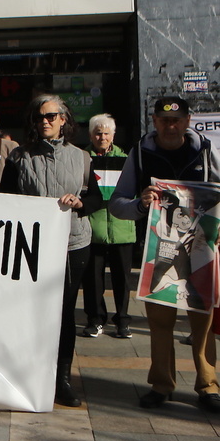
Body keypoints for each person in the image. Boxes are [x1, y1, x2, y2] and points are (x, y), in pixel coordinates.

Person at [110, 96, 220, 412]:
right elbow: (118, 204)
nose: (170, 127)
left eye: (176, 120)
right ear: (154, 122)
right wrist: (140, 204)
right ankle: (161, 385)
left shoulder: (206, 151)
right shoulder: (140, 155)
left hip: (200, 252)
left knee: (202, 323)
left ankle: (208, 385)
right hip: (158, 251)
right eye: (163, 121)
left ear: (187, 121)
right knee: (160, 323)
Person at [0, 94, 102, 407]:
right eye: (40, 117)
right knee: (30, 313)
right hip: (32, 247)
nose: (45, 121)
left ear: (64, 120)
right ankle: (29, 376)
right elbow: (4, 200)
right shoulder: (19, 156)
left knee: (64, 313)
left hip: (73, 243)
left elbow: (98, 199)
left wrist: (81, 202)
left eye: (52, 116)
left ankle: (62, 381)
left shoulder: (83, 158)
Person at [81, 114, 136, 339]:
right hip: (93, 228)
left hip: (122, 228)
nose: (102, 137)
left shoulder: (127, 159)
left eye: (106, 133)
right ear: (90, 135)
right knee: (93, 279)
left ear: (113, 134)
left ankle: (122, 320)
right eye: (97, 132)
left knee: (122, 279)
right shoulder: (82, 159)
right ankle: (95, 319)